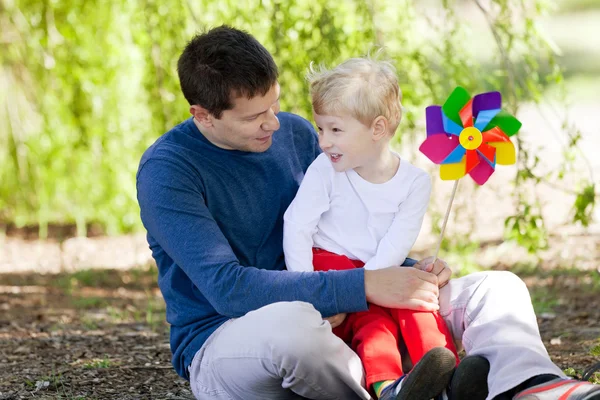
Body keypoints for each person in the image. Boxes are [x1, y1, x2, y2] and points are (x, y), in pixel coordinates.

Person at [135, 25, 600, 400]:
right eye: (255, 116)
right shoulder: (168, 172)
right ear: (203, 116)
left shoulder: (296, 135)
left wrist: (412, 274)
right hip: (232, 338)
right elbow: (227, 289)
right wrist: (361, 287)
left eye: (274, 104)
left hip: (342, 299)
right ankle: (394, 389)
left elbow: (341, 233)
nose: (274, 122)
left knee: (498, 289)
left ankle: (532, 386)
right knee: (295, 327)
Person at [282, 56, 461, 399]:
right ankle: (388, 387)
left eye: (335, 130)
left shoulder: (414, 182)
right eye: (320, 128)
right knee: (373, 321)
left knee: (418, 303)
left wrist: (377, 280)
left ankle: (448, 379)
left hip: (383, 265)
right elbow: (297, 225)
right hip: (329, 263)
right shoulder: (325, 170)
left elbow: (398, 240)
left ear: (377, 129)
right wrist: (311, 291)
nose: (323, 141)